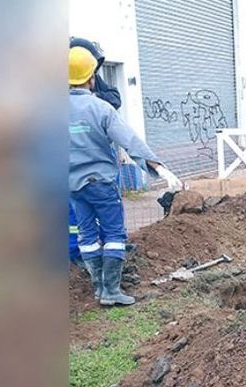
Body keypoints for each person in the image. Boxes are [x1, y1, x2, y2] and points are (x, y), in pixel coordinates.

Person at [69, 46, 183, 305]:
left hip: (72, 185)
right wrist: (159, 168)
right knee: (113, 234)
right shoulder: (101, 109)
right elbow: (130, 141)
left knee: (86, 234)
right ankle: (111, 291)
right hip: (101, 183)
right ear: (91, 77)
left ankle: (98, 287)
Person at [68, 37, 122, 267]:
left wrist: (90, 101)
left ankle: (94, 255)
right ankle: (79, 254)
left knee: (89, 220)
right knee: (79, 220)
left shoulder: (90, 84)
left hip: (82, 167)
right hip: (77, 166)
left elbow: (114, 97)